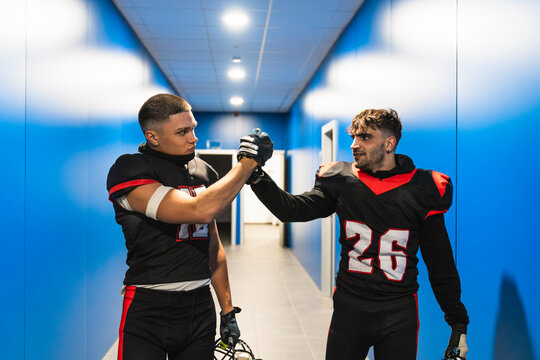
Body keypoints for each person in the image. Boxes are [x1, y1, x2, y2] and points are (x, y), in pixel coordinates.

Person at [248, 109, 469, 360]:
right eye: (353, 137)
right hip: (349, 307)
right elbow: (291, 209)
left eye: (365, 137)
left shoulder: (423, 188)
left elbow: (440, 262)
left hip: (399, 312)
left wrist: (458, 321)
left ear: (389, 143)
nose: (354, 145)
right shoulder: (340, 179)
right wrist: (256, 175)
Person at [106, 93, 273, 360]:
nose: (193, 138)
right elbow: (198, 210)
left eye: (193, 128)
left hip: (198, 307)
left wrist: (227, 310)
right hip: (148, 308)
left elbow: (214, 248)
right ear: (153, 137)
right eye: (182, 132)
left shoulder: (203, 171)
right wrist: (247, 163)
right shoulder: (130, 169)